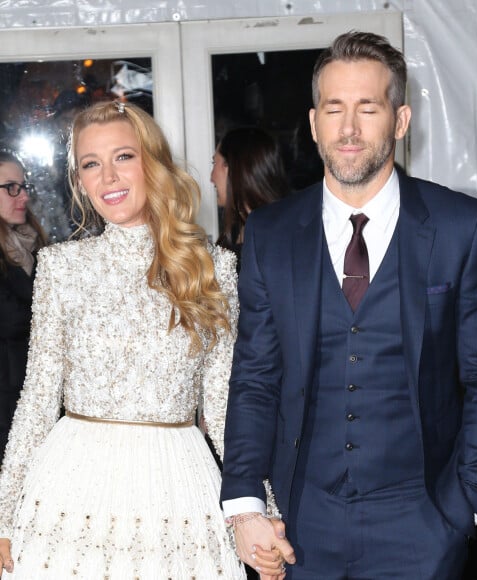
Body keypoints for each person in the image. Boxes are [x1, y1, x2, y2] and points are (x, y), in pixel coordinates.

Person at [220, 31, 477, 579]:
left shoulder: (461, 228)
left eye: (367, 108)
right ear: (313, 124)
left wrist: (465, 503)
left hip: (422, 520)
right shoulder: (270, 234)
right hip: (302, 519)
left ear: (400, 121)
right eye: (334, 109)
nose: (349, 128)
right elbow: (256, 375)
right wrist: (243, 503)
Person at [0, 101, 283, 578]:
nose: (108, 177)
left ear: (153, 163)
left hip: (177, 490)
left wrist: (260, 511)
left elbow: (225, 405)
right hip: (71, 490)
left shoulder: (213, 268)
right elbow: (37, 398)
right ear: (79, 181)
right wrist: (4, 514)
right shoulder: (61, 268)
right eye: (91, 164)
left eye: (123, 157)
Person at [0, 151, 46, 463]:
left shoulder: (33, 246)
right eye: (11, 187)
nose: (24, 196)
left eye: (24, 186)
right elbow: (11, 320)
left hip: (33, 395)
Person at [211, 126, 289, 271]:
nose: (211, 178)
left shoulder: (276, 240)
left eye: (214, 163)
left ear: (232, 167)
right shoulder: (237, 229)